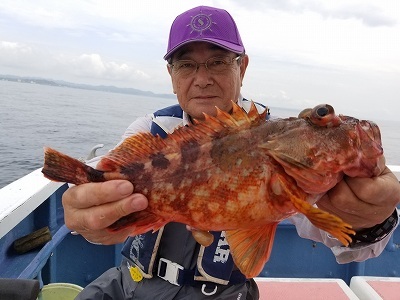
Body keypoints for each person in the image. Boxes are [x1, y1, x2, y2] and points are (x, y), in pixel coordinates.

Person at [64, 6, 400, 299]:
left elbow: (348, 244)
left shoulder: (275, 146)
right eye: (186, 65)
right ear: (171, 75)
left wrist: (373, 219)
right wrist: (85, 209)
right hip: (129, 285)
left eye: (218, 62)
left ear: (243, 67)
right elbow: (99, 179)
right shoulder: (150, 130)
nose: (203, 79)